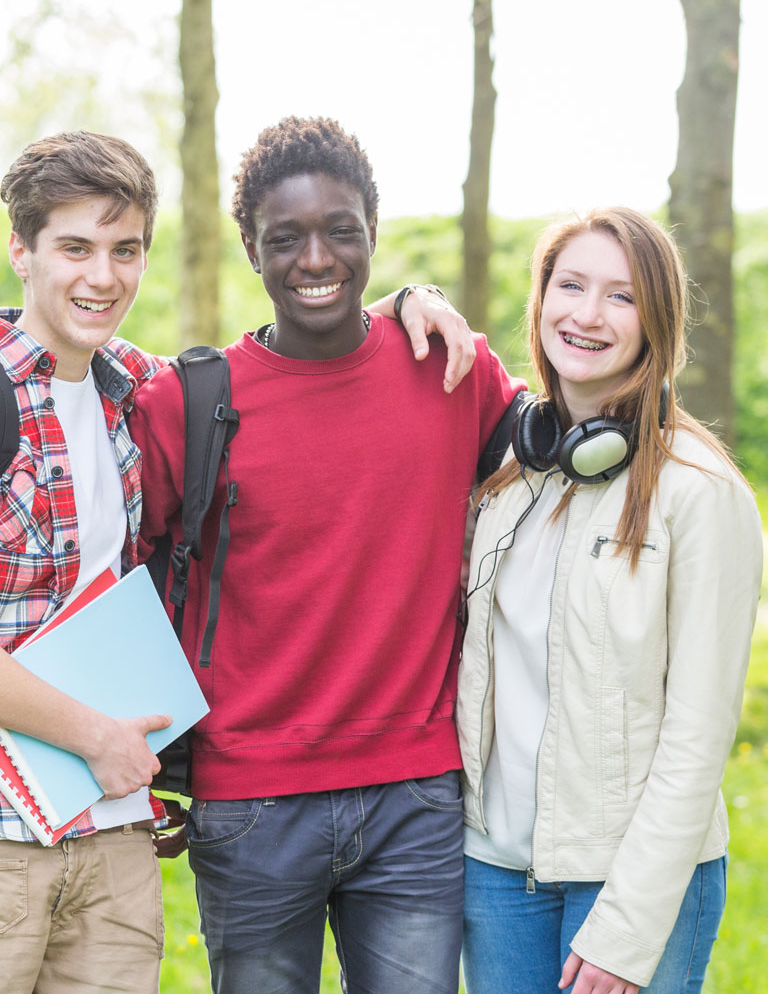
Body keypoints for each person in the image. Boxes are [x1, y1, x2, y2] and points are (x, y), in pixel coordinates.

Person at [0, 129, 475, 994]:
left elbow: (292, 366)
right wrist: (96, 737)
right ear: (21, 250)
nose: (101, 276)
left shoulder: (140, 390)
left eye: (125, 251)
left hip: (109, 836)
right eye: (73, 247)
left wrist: (414, 295)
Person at [131, 116, 518, 994]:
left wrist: (417, 295)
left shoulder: (451, 370)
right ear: (249, 249)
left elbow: (559, 449)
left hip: (415, 793)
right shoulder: (186, 404)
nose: (317, 259)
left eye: (341, 230)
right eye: (287, 238)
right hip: (251, 801)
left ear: (373, 233)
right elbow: (116, 576)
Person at [456, 208, 761, 994]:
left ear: (657, 323)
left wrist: (629, 925)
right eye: (571, 286)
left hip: (628, 880)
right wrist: (408, 298)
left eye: (621, 297)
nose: (587, 315)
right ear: (541, 300)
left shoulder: (701, 492)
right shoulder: (513, 474)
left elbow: (699, 735)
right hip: (497, 874)